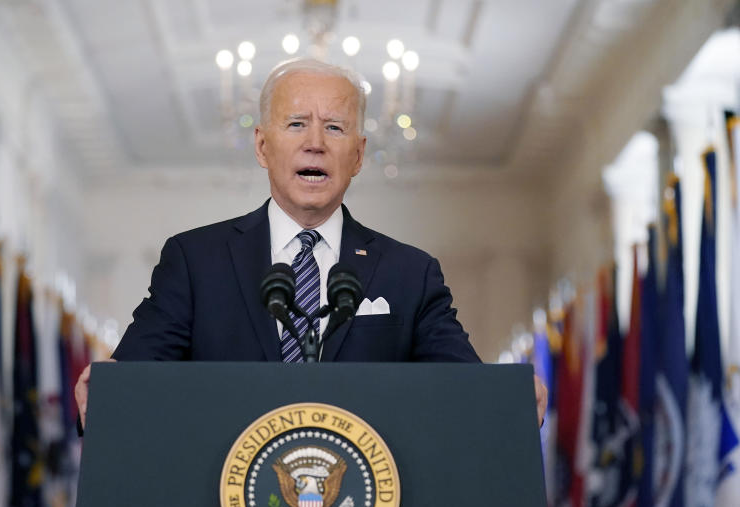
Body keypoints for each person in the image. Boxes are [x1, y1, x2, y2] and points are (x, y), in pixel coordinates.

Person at [74, 58, 547, 428]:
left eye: (335, 127)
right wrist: (108, 387)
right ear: (262, 146)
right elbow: (134, 377)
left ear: (358, 155)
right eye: (297, 123)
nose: (315, 142)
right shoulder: (196, 262)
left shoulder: (410, 274)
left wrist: (510, 399)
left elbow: (466, 388)